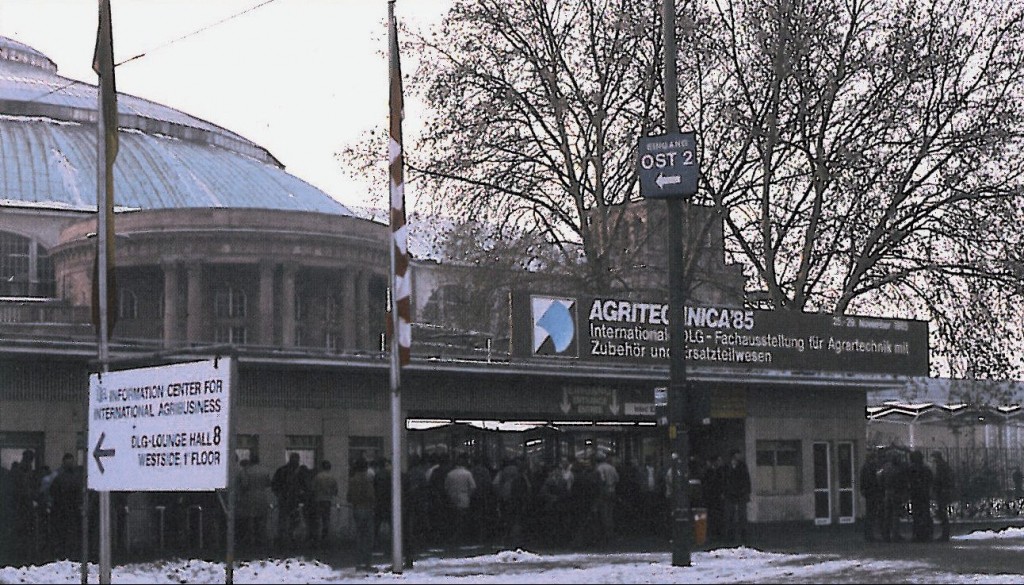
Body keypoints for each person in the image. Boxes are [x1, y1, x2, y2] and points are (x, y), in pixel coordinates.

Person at [47, 453, 82, 561]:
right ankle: (66, 554)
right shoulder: (66, 476)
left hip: (66, 510)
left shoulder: (60, 476)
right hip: (64, 510)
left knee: (66, 533)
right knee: (66, 533)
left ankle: (65, 553)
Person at [271, 452, 308, 549]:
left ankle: (282, 540)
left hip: (284, 499)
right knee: (294, 521)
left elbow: (274, 485)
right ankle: (292, 539)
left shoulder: (282, 470)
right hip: (294, 500)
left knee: (283, 520)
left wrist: (279, 494)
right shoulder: (300, 472)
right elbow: (305, 486)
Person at [347, 457, 375, 571]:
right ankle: (367, 562)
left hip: (356, 508)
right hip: (367, 508)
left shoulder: (352, 480)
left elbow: (348, 496)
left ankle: (358, 563)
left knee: (359, 536)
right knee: (368, 537)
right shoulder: (367, 479)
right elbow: (371, 495)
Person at [443, 453, 477, 547]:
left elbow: (446, 487)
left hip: (452, 498)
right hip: (464, 497)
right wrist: (469, 495)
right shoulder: (467, 473)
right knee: (464, 518)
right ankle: (463, 537)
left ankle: (454, 537)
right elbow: (473, 487)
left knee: (454, 519)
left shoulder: (450, 474)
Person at [723, 449, 751, 546]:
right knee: (729, 516)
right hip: (730, 494)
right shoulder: (727, 467)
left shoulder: (742, 466)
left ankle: (744, 536)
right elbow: (724, 479)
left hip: (740, 494)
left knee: (742, 516)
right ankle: (730, 536)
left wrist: (746, 491)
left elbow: (746, 479)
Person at [593, 451, 620, 544]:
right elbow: (617, 479)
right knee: (610, 513)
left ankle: (605, 535)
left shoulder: (599, 468)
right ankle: (611, 533)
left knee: (603, 514)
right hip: (612, 491)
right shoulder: (612, 467)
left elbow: (601, 481)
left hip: (603, 493)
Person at [907, 450, 933, 542]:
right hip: (924, 494)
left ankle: (917, 534)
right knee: (925, 513)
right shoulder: (926, 469)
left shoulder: (911, 469)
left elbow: (908, 480)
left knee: (916, 514)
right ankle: (926, 534)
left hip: (915, 494)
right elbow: (930, 480)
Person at [859, 446, 885, 542]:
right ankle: (869, 535)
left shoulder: (864, 468)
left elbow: (863, 481)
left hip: (868, 492)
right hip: (872, 493)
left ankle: (869, 534)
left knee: (870, 514)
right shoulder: (871, 468)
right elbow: (873, 481)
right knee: (872, 514)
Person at [311, 460, 339, 547]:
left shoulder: (317, 477)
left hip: (318, 500)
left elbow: (312, 489)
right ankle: (324, 539)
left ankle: (316, 540)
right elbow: (335, 491)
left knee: (317, 520)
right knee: (326, 520)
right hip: (327, 501)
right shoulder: (332, 478)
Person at [930, 451, 955, 542]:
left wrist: (935, 487)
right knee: (942, 512)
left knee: (942, 513)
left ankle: (945, 534)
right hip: (944, 492)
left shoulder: (941, 466)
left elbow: (939, 479)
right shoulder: (944, 465)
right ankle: (945, 534)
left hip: (942, 492)